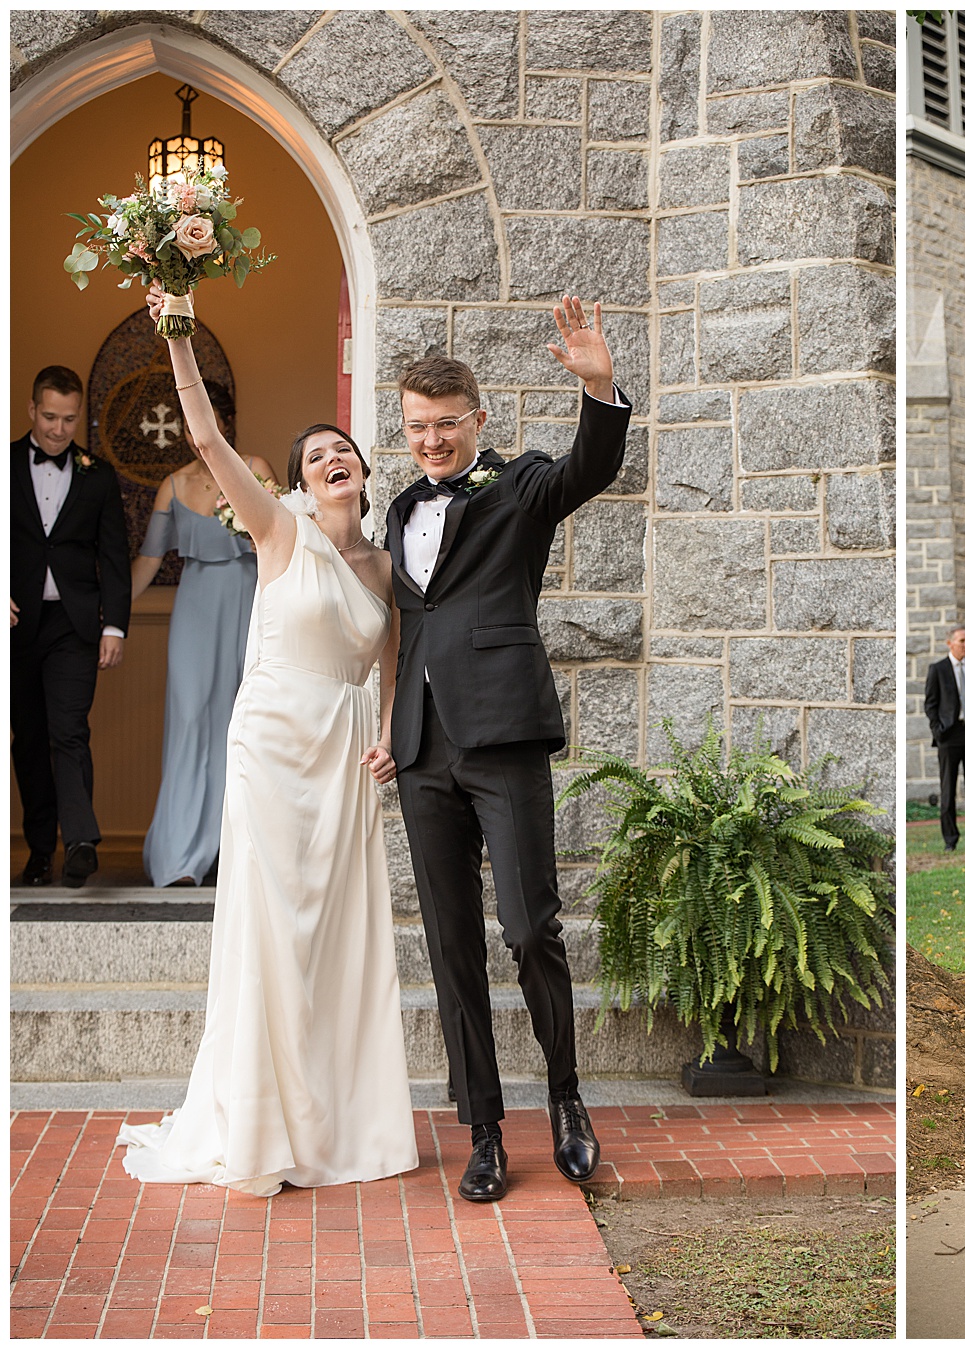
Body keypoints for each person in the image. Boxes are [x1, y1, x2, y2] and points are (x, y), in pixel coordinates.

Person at [118, 285, 416, 1194]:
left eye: (344, 450)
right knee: (273, 930)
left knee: (338, 940)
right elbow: (205, 439)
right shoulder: (278, 530)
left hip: (346, 755)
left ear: (363, 472)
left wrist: (394, 738)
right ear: (298, 479)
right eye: (317, 453)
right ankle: (257, 1121)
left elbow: (392, 662)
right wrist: (178, 330)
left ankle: (336, 1119)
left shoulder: (387, 564)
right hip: (274, 746)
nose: (333, 457)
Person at [384, 314, 629, 1204]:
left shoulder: (519, 486)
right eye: (416, 423)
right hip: (422, 750)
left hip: (505, 735)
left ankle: (566, 1100)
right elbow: (405, 627)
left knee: (529, 927)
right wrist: (389, 727)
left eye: (446, 421)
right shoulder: (399, 508)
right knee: (452, 945)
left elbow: (587, 469)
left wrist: (598, 389)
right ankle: (482, 1129)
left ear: (476, 420)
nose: (431, 437)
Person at [130, 382, 273, 887]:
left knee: (245, 719)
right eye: (190, 422)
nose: (196, 433)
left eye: (206, 419)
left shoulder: (254, 469)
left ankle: (238, 855)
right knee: (190, 719)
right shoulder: (172, 485)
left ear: (224, 421)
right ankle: (182, 854)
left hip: (246, 602)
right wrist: (106, 616)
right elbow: (149, 559)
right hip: (194, 608)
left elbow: (276, 541)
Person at [12, 365, 131, 889]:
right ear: (32, 410)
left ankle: (80, 841)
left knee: (68, 730)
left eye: (69, 419)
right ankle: (40, 850)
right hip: (14, 627)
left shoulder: (97, 475)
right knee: (30, 739)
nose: (60, 429)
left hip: (75, 625)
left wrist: (116, 627)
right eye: (51, 417)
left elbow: (115, 555)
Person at [923, 626, 965, 853]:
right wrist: (938, 730)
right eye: (962, 640)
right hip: (949, 736)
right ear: (949, 643)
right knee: (948, 789)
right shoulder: (938, 669)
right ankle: (950, 840)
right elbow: (930, 704)